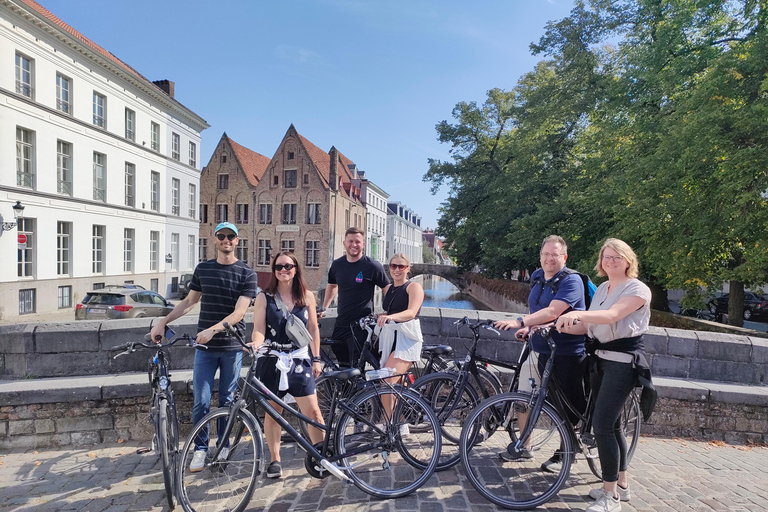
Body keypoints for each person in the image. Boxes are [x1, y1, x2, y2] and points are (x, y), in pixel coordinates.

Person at [151, 222, 259, 473]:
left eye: (230, 237)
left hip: (231, 346)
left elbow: (240, 312)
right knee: (201, 400)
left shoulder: (246, 273)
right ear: (215, 240)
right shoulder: (203, 269)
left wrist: (213, 329)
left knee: (227, 401)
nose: (226, 240)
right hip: (205, 350)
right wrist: (163, 322)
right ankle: (200, 449)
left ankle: (222, 446)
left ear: (237, 240)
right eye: (221, 236)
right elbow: (189, 302)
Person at [556, 238, 651, 512]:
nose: (610, 261)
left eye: (616, 257)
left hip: (622, 364)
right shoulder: (603, 289)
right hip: (600, 361)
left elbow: (610, 317)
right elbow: (589, 327)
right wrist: (557, 327)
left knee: (602, 426)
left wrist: (577, 313)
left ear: (628, 260)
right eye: (606, 257)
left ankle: (610, 498)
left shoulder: (637, 289)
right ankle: (621, 484)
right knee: (615, 426)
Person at [494, 235, 587, 472]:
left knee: (566, 407)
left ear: (564, 257)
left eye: (555, 255)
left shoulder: (571, 281)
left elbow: (553, 311)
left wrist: (520, 321)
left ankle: (567, 452)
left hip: (566, 352)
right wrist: (528, 327)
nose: (549, 259)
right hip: (538, 348)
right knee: (523, 397)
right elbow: (536, 309)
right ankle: (524, 445)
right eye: (545, 254)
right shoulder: (537, 277)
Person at [251, 251, 324, 479]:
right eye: (279, 266)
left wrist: (317, 358)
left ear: (296, 269)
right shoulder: (265, 297)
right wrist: (255, 343)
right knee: (274, 413)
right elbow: (259, 328)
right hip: (272, 360)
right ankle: (274, 459)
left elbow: (313, 328)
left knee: (313, 412)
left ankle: (320, 454)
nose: (284, 270)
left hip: (300, 360)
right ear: (274, 270)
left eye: (288, 266)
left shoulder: (307, 296)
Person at [321, 227, 389, 367]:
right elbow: (332, 286)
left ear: (363, 244)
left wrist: (390, 311)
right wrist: (324, 307)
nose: (354, 245)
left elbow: (387, 289)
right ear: (344, 243)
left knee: (356, 365)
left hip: (361, 325)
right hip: (341, 322)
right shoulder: (337, 265)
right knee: (341, 359)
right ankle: (345, 389)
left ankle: (357, 389)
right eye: (350, 241)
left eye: (357, 242)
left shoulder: (373, 266)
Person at [376, 253, 425, 425]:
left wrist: (390, 318)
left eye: (401, 267)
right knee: (392, 384)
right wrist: (381, 316)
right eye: (393, 266)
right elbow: (391, 311)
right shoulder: (389, 289)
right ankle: (398, 420)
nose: (397, 270)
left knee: (386, 380)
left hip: (406, 339)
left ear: (408, 269)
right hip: (391, 338)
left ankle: (395, 426)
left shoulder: (413, 287)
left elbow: (411, 312)